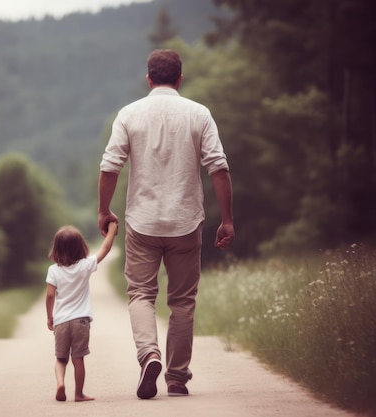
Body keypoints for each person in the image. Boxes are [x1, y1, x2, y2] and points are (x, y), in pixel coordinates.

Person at [97, 48, 234, 399]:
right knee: (182, 301)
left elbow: (110, 166)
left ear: (148, 79)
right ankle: (176, 377)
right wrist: (227, 219)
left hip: (142, 223)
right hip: (186, 224)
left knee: (141, 294)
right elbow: (218, 167)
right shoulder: (199, 114)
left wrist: (104, 210)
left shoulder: (129, 114)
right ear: (179, 79)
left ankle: (149, 355)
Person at [45, 222, 118, 402]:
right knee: (78, 359)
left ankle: (60, 383)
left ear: (56, 248)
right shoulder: (85, 265)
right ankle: (78, 394)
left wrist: (50, 317)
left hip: (61, 321)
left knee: (61, 359)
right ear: (80, 247)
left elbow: (49, 296)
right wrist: (112, 230)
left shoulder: (53, 271)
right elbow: (105, 248)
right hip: (81, 321)